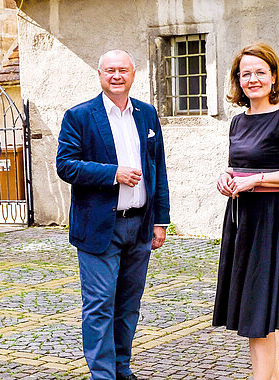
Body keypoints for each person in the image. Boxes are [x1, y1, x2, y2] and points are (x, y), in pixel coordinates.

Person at [56, 49, 170, 380]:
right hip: (99, 227)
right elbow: (66, 165)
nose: (116, 75)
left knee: (128, 305)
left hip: (140, 225)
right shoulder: (79, 116)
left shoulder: (147, 115)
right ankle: (102, 375)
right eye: (110, 70)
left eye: (123, 69)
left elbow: (158, 169)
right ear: (100, 74)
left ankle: (122, 368)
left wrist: (161, 220)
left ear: (133, 74)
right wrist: (112, 173)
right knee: (99, 307)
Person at [213, 42, 279, 380]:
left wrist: (256, 179)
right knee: (258, 310)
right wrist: (225, 177)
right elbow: (236, 166)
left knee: (258, 310)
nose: (253, 79)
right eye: (246, 74)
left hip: (274, 219)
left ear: (273, 77)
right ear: (238, 81)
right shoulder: (238, 122)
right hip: (241, 219)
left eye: (260, 72)